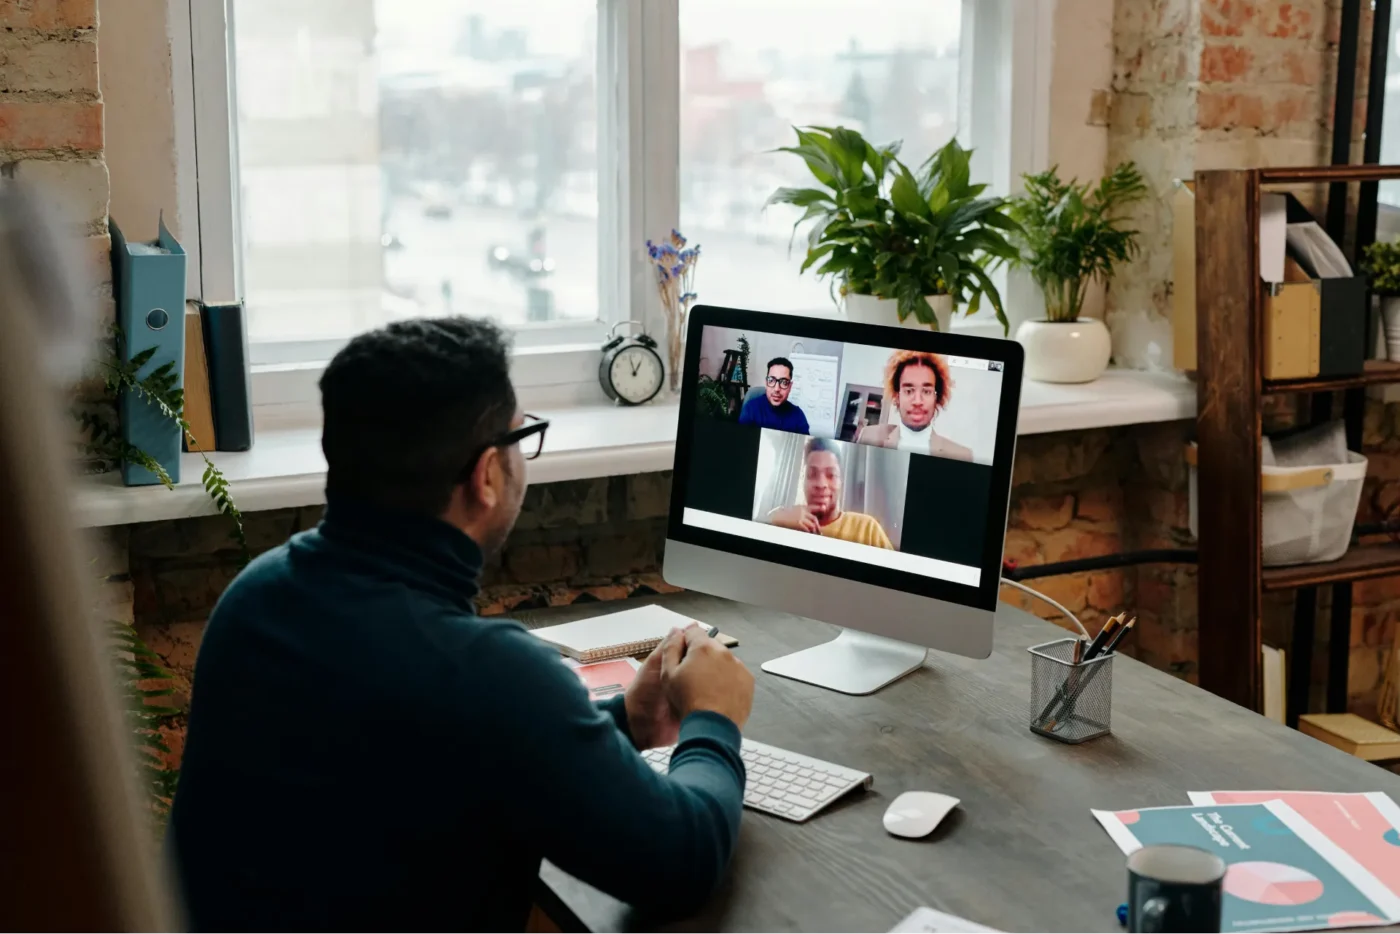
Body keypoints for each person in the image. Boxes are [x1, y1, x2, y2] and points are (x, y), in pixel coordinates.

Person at [167, 318, 755, 932]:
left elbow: (415, 758)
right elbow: (680, 862)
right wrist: (715, 720)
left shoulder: (257, 599)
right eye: (521, 437)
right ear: (487, 476)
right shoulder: (486, 675)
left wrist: (625, 722)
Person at [767, 437, 894, 549]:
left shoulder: (867, 529)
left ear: (841, 481)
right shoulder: (787, 523)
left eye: (831, 475)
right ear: (803, 480)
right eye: (812, 474)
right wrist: (773, 519)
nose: (821, 484)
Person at [857, 350, 973, 461]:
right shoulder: (869, 436)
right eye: (909, 391)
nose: (917, 401)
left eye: (926, 391)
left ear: (936, 397)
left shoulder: (962, 455)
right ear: (897, 397)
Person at [737, 356, 810, 433]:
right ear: (766, 383)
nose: (777, 389)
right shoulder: (751, 409)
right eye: (771, 380)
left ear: (790, 386)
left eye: (784, 382)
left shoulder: (798, 416)